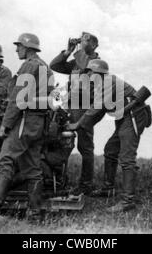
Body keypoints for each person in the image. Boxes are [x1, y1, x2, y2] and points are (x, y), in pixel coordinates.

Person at [0, 34, 54, 220]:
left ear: (27, 48)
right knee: (33, 167)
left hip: (25, 120)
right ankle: (36, 212)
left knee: (3, 161)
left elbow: (17, 98)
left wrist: (6, 124)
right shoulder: (45, 67)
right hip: (40, 122)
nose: (16, 50)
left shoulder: (29, 65)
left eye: (19, 46)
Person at [67, 59, 151, 212]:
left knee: (127, 158)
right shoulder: (102, 84)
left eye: (90, 73)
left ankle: (128, 201)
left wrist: (77, 124)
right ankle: (108, 189)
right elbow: (99, 112)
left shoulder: (107, 82)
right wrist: (83, 124)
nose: (88, 76)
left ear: (97, 73)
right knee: (111, 150)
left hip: (133, 115)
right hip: (124, 117)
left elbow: (96, 109)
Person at [50, 32, 101, 195]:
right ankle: (57, 179)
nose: (80, 41)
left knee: (85, 146)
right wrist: (68, 51)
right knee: (63, 139)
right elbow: (55, 65)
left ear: (93, 45)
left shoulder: (96, 62)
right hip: (71, 104)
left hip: (85, 105)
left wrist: (78, 50)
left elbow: (86, 67)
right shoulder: (77, 61)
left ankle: (86, 185)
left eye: (84, 39)